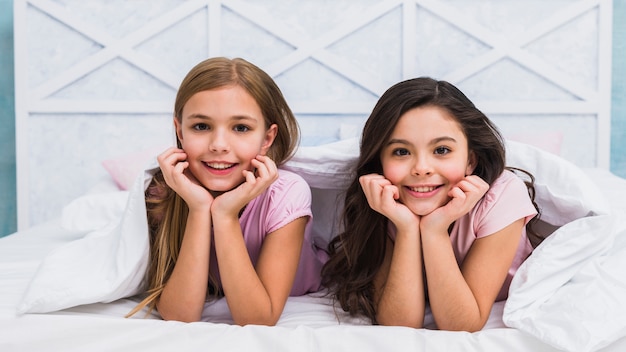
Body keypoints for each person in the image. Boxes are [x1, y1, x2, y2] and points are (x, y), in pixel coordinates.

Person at [321, 77, 540, 332]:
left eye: (442, 150)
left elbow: (461, 325)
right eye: (401, 152)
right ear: (380, 163)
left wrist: (435, 230)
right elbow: (400, 325)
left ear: (470, 160)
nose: (422, 168)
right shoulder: (386, 200)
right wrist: (406, 228)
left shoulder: (501, 196)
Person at [127, 57, 326, 325]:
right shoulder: (167, 191)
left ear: (267, 138)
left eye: (241, 128)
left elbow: (258, 319)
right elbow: (179, 316)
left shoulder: (287, 193)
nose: (219, 145)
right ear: (180, 131)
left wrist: (224, 215)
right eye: (201, 126)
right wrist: (199, 209)